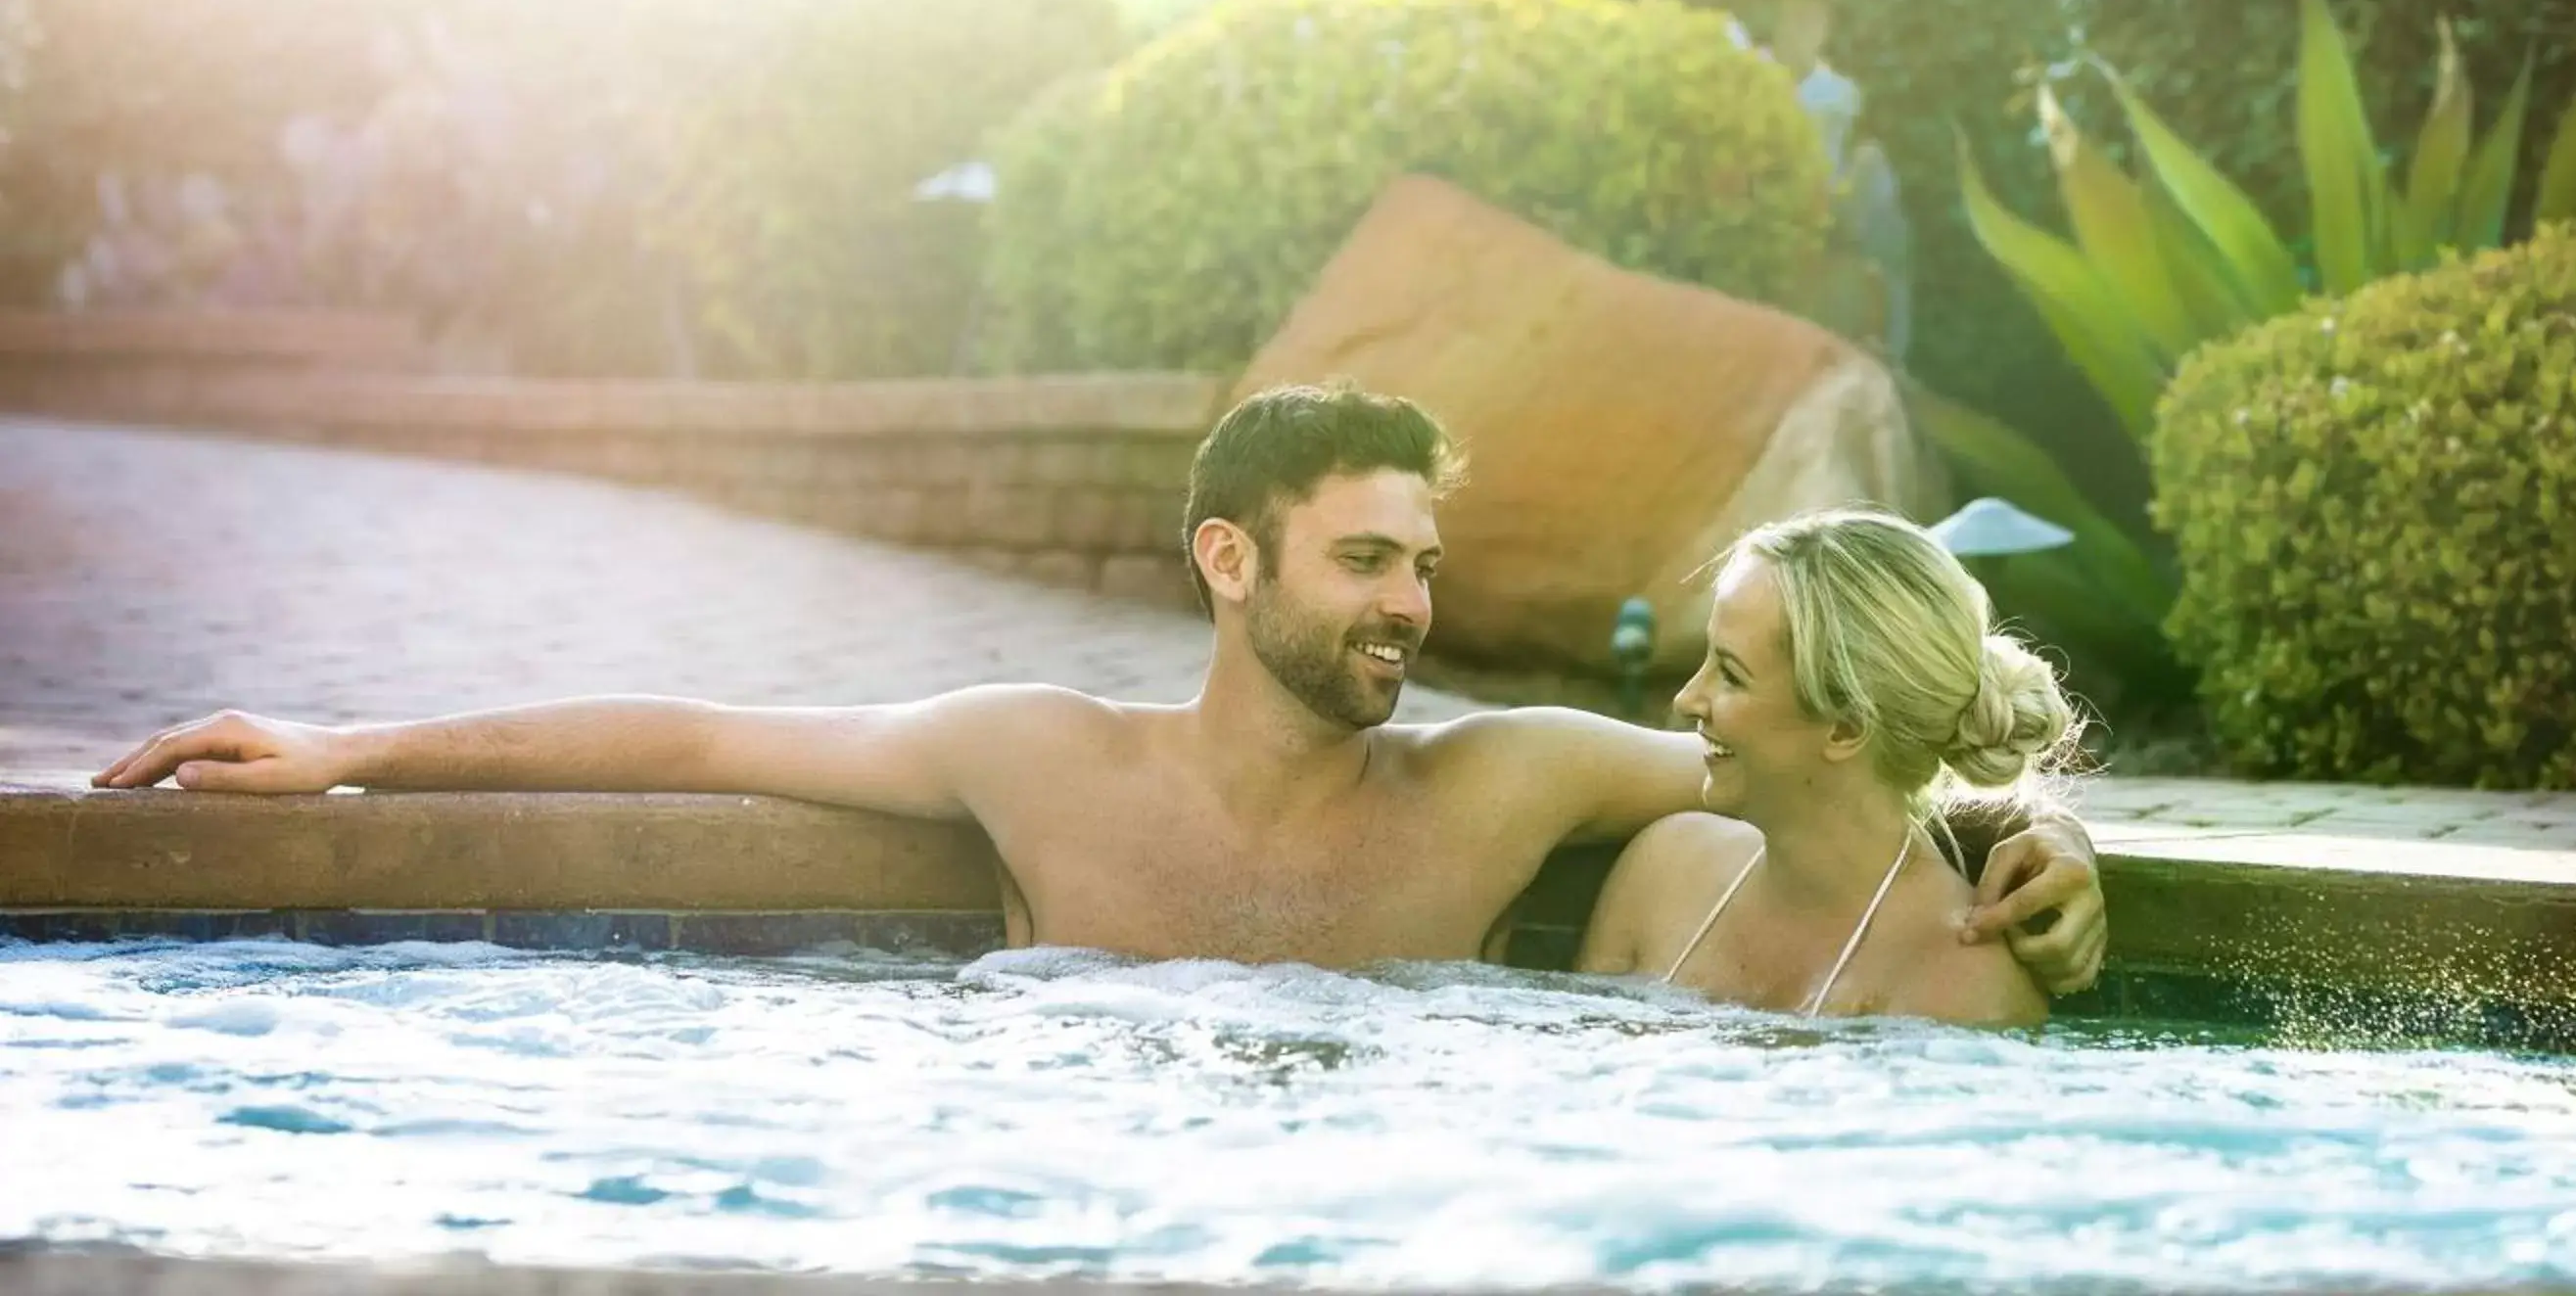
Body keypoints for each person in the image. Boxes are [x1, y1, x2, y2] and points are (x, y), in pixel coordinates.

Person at [93, 385, 2107, 988]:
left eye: (1425, 561)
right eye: (1366, 561)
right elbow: (703, 732)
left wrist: (2052, 838)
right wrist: (350, 751)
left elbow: (1842, 772)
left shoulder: (1503, 784)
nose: (1413, 606)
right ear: (1232, 564)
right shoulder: (1038, 761)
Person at [1579, 509, 2076, 1025]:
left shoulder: (1961, 990)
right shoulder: (1662, 873)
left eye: (1730, 674)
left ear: (1845, 728)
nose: (1687, 698)